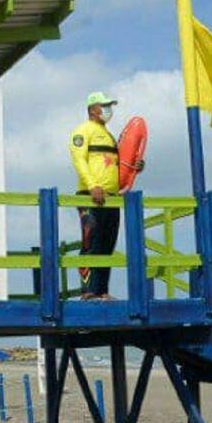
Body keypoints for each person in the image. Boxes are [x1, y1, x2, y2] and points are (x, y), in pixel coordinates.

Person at [68, 91, 142, 300]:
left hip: (111, 197)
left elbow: (120, 164)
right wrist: (92, 185)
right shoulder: (82, 130)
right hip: (89, 195)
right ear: (93, 109)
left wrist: (136, 166)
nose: (108, 110)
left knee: (107, 244)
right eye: (104, 106)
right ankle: (88, 291)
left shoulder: (109, 136)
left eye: (109, 106)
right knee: (91, 242)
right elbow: (78, 159)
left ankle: (102, 291)